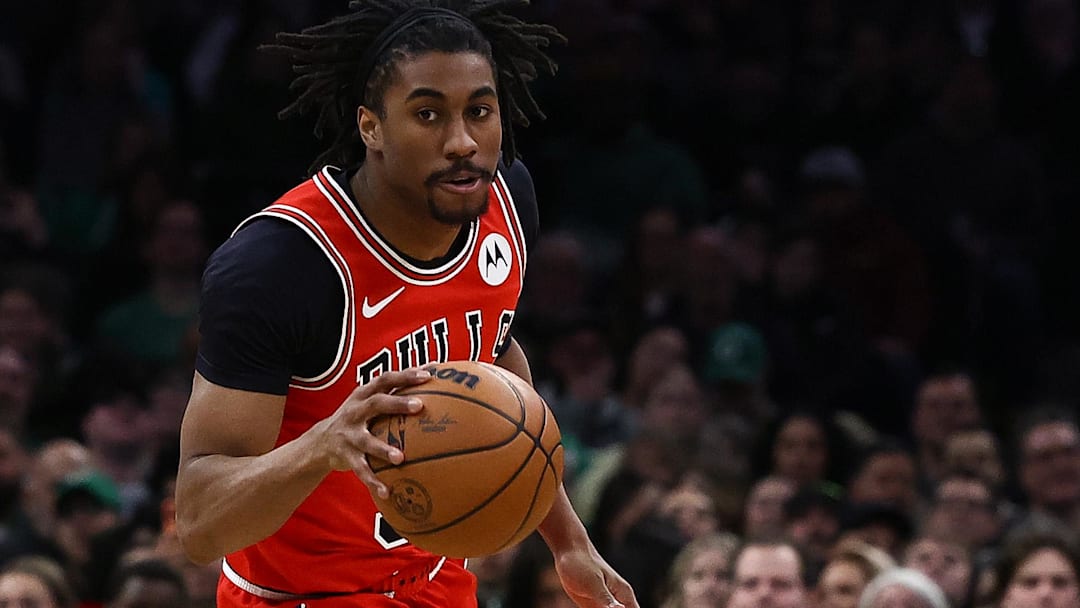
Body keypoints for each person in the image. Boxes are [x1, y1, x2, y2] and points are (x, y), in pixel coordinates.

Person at [173, 3, 637, 608]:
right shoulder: (284, 265)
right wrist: (319, 446)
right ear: (371, 127)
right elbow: (200, 522)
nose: (462, 142)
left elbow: (494, 358)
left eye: (479, 111)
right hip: (295, 597)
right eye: (427, 114)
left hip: (438, 585)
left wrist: (568, 539)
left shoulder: (506, 200)